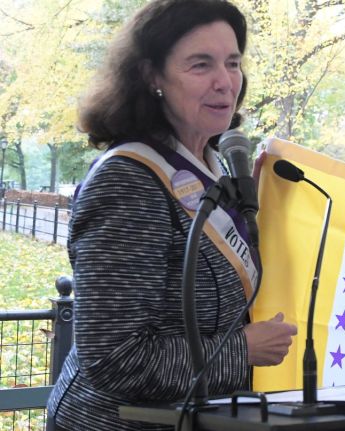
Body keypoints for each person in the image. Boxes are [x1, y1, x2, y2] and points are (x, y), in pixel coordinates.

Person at [47, 1, 298, 429]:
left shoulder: (215, 164)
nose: (226, 82)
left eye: (233, 62)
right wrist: (243, 349)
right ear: (152, 76)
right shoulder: (128, 180)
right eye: (201, 65)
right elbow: (113, 359)